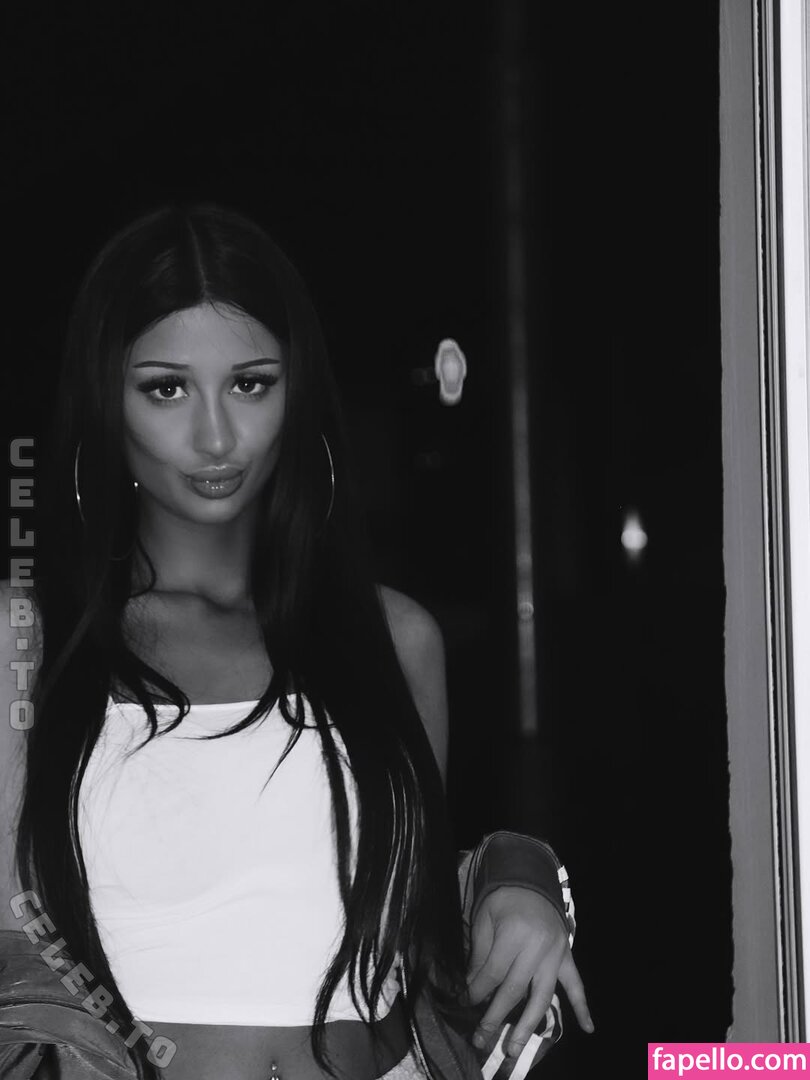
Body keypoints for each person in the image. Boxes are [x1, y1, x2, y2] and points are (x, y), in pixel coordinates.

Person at [0, 203, 592, 1080]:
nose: (215, 436)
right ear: (105, 402)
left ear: (296, 393)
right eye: (166, 388)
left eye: (250, 385)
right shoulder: (26, 639)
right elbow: (14, 947)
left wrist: (517, 877)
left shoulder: (396, 638)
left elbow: (404, 927)